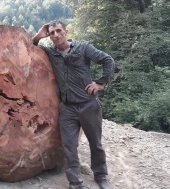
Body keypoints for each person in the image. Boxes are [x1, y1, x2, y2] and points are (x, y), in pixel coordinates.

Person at [32, 20, 115, 189]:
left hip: (88, 104)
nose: (55, 35)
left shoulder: (83, 47)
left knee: (95, 143)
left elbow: (108, 60)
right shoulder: (50, 52)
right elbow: (30, 46)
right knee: (69, 145)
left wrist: (100, 83)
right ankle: (75, 183)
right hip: (67, 107)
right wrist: (40, 34)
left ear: (66, 31)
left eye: (58, 31)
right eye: (52, 32)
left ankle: (101, 175)